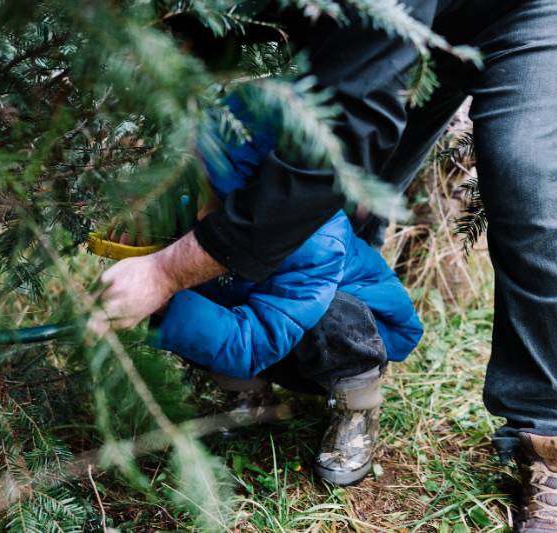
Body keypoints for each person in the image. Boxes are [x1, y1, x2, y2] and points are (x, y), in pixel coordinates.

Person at [96, 2, 557, 531]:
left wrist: (166, 289)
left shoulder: (307, 245)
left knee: (526, 177)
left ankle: (550, 439)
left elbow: (339, 137)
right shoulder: (240, 164)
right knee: (337, 206)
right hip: (390, 29)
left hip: (526, 8)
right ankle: (256, 388)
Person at [144, 97, 422, 485]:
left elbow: (261, 339)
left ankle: (356, 411)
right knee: (193, 287)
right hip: (275, 320)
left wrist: (163, 303)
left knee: (328, 315)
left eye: (220, 192)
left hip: (356, 335)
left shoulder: (315, 238)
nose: (202, 201)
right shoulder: (202, 205)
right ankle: (251, 396)